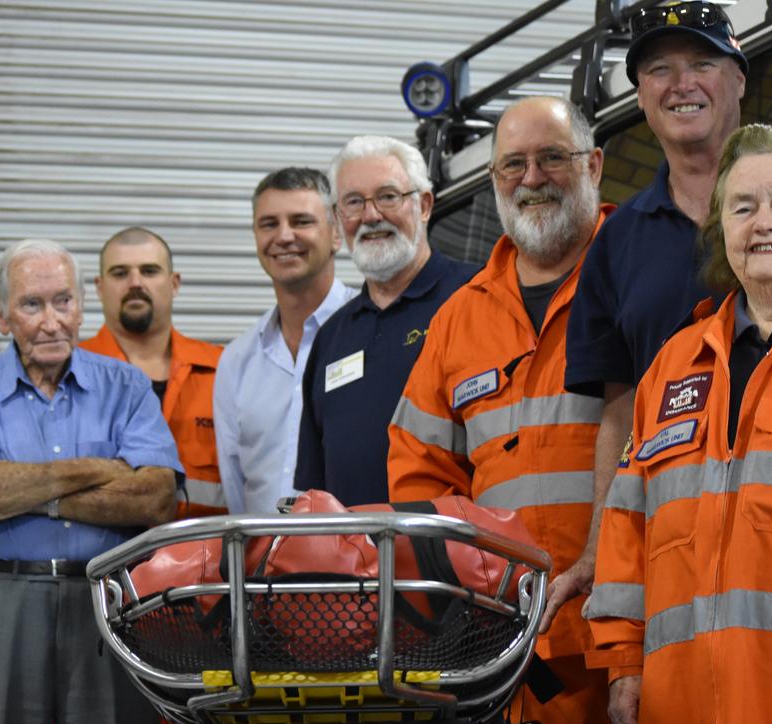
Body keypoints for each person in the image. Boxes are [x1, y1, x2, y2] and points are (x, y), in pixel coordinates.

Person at [587, 123, 772, 724]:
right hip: (681, 722)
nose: (763, 223)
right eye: (743, 206)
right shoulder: (676, 363)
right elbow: (627, 526)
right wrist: (623, 663)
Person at [388, 97, 630, 724]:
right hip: (514, 650)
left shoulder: (639, 273)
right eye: (512, 164)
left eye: (552, 157)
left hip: (637, 632)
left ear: (595, 165)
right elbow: (419, 476)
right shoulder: (460, 318)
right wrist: (471, 608)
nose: (532, 177)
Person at [0, 239, 182, 724]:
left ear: (81, 305)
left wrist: (24, 495)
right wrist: (94, 469)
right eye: (31, 305)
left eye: (62, 301)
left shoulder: (127, 387)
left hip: (106, 601)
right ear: (2, 315)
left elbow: (157, 497)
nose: (51, 321)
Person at [553, 0, 749, 629]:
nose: (682, 83)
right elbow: (620, 407)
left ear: (739, 79)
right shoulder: (616, 240)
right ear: (641, 97)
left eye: (702, 63)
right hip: (674, 535)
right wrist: (599, 546)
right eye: (660, 69)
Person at [294, 136, 477, 505]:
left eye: (388, 196)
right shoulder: (331, 337)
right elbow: (316, 488)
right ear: (338, 217)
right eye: (354, 202)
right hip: (349, 560)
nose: (371, 215)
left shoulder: (477, 296)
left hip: (457, 557)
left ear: (424, 205)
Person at [214, 168, 356, 515]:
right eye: (268, 224)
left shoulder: (372, 332)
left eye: (301, 221)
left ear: (336, 233)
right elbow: (235, 488)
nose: (284, 236)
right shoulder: (237, 359)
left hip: (360, 562)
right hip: (263, 565)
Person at [81, 227, 225, 518]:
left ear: (174, 283)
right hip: (101, 559)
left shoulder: (222, 370)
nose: (135, 283)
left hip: (206, 558)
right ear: (99, 287)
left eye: (149, 271)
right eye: (120, 273)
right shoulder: (72, 373)